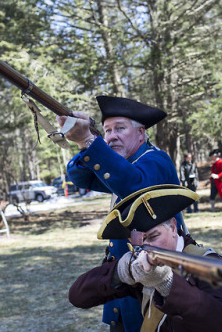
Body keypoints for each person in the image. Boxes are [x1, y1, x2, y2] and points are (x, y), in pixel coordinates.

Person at [57, 95, 183, 331]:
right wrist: (90, 142)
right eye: (107, 130)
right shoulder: (119, 164)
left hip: (159, 279)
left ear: (141, 133)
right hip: (128, 280)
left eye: (120, 129)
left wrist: (90, 142)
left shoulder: (156, 160)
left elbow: (134, 185)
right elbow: (79, 175)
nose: (112, 136)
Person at [69, 184, 222, 332]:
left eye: (153, 237)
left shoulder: (210, 263)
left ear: (173, 227)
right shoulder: (140, 265)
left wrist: (167, 283)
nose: (146, 248)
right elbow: (78, 296)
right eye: (138, 243)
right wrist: (122, 271)